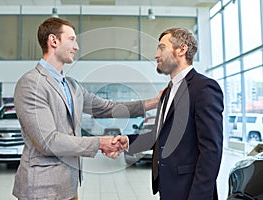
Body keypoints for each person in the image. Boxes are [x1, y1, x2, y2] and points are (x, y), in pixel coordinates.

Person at [12, 17, 160, 200]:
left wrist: (154, 102)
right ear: (53, 41)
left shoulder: (72, 86)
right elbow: (48, 141)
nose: (76, 47)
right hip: (42, 189)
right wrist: (99, 143)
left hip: (69, 185)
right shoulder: (31, 84)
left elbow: (108, 108)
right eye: (72, 39)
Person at [114, 27, 224, 199]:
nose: (156, 55)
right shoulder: (166, 93)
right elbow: (161, 136)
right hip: (168, 188)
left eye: (161, 48)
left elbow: (211, 151)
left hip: (191, 191)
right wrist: (128, 141)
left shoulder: (204, 88)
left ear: (182, 49)